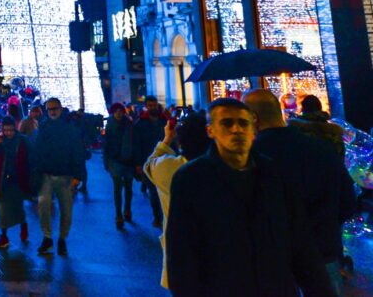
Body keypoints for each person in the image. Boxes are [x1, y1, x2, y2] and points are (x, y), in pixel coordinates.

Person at [165, 98, 333, 296]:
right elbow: (182, 254)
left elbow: (300, 241)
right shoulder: (191, 179)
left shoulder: (274, 174)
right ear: (210, 130)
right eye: (227, 123)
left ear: (254, 129)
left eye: (243, 123)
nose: (236, 129)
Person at [245, 89, 356, 295]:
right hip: (323, 252)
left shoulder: (250, 158)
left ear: (254, 118)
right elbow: (348, 202)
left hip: (274, 261)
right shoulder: (322, 148)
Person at [144, 111, 211, 289]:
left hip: (180, 252)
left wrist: (167, 139)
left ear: (180, 141)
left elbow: (150, 164)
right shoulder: (221, 169)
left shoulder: (169, 168)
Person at [33, 97, 86, 256]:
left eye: (55, 108)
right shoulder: (44, 128)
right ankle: (47, 237)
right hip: (46, 174)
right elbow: (37, 151)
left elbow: (77, 152)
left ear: (61, 109)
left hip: (65, 175)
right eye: (50, 109)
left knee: (66, 210)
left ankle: (62, 238)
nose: (53, 111)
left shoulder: (70, 129)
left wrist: (77, 176)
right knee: (43, 205)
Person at [0, 116, 35, 249]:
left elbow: (32, 157)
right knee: (3, 210)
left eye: (11, 130)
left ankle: (23, 225)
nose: (8, 133)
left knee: (18, 207)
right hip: (3, 181)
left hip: (18, 180)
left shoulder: (23, 141)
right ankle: (4, 236)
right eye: (5, 130)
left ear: (15, 129)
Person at [133, 95, 167, 227]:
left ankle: (164, 215)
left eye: (154, 105)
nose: (153, 108)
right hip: (148, 162)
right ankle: (158, 216)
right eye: (150, 106)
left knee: (163, 190)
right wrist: (138, 164)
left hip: (164, 160)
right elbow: (137, 144)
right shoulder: (140, 124)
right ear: (146, 106)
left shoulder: (164, 121)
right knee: (153, 192)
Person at [103, 103, 136, 229]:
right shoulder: (109, 125)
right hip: (115, 160)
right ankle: (118, 215)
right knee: (117, 188)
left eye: (120, 111)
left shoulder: (129, 124)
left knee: (128, 187)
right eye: (116, 111)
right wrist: (106, 161)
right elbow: (106, 145)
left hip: (128, 159)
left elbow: (134, 142)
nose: (118, 113)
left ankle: (127, 209)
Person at [289, 95, 346, 159]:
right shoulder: (333, 131)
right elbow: (340, 154)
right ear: (320, 108)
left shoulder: (295, 129)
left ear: (303, 109)